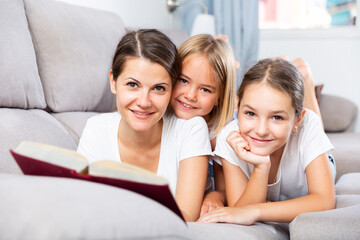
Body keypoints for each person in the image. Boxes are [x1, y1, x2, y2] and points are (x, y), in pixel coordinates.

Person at [77, 29, 212, 222]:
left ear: (171, 89)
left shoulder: (190, 130)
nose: (144, 102)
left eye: (158, 88)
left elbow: (187, 216)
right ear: (113, 82)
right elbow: (80, 205)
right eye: (133, 85)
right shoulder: (96, 129)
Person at [197, 58, 335, 224]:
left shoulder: (306, 124)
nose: (261, 131)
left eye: (277, 117)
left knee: (313, 125)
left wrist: (257, 210)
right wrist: (261, 167)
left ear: (297, 120)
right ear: (237, 106)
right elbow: (239, 210)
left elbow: (324, 200)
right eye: (250, 114)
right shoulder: (229, 137)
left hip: (316, 157)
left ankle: (307, 84)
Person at [169, 34, 238, 216]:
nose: (190, 95)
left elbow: (226, 189)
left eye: (205, 89)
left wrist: (216, 195)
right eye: (183, 81)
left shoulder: (219, 137)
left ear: (219, 98)